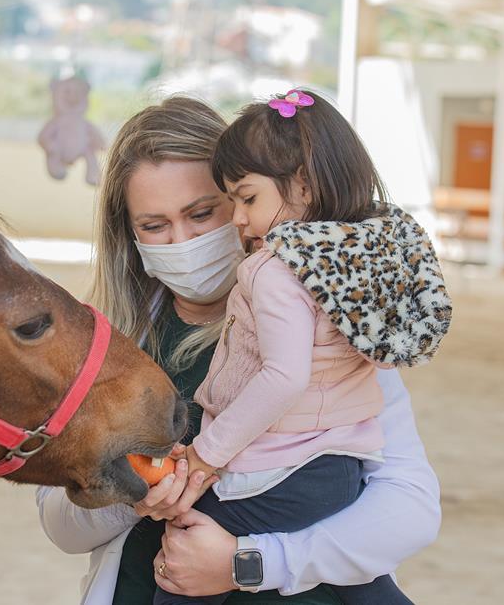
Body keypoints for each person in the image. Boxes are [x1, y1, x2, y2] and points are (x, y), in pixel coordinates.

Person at [35, 97, 442, 604]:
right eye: (154, 226)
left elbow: (411, 506)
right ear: (129, 235)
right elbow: (59, 524)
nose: (183, 240)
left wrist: (248, 565)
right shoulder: (106, 347)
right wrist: (134, 495)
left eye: (204, 213)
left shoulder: (333, 322)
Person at [152, 89, 452, 605]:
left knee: (184, 557)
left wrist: (205, 454)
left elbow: (284, 376)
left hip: (286, 469)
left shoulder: (276, 269)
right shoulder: (355, 271)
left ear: (304, 187)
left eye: (246, 198)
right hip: (343, 466)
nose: (239, 220)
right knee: (361, 577)